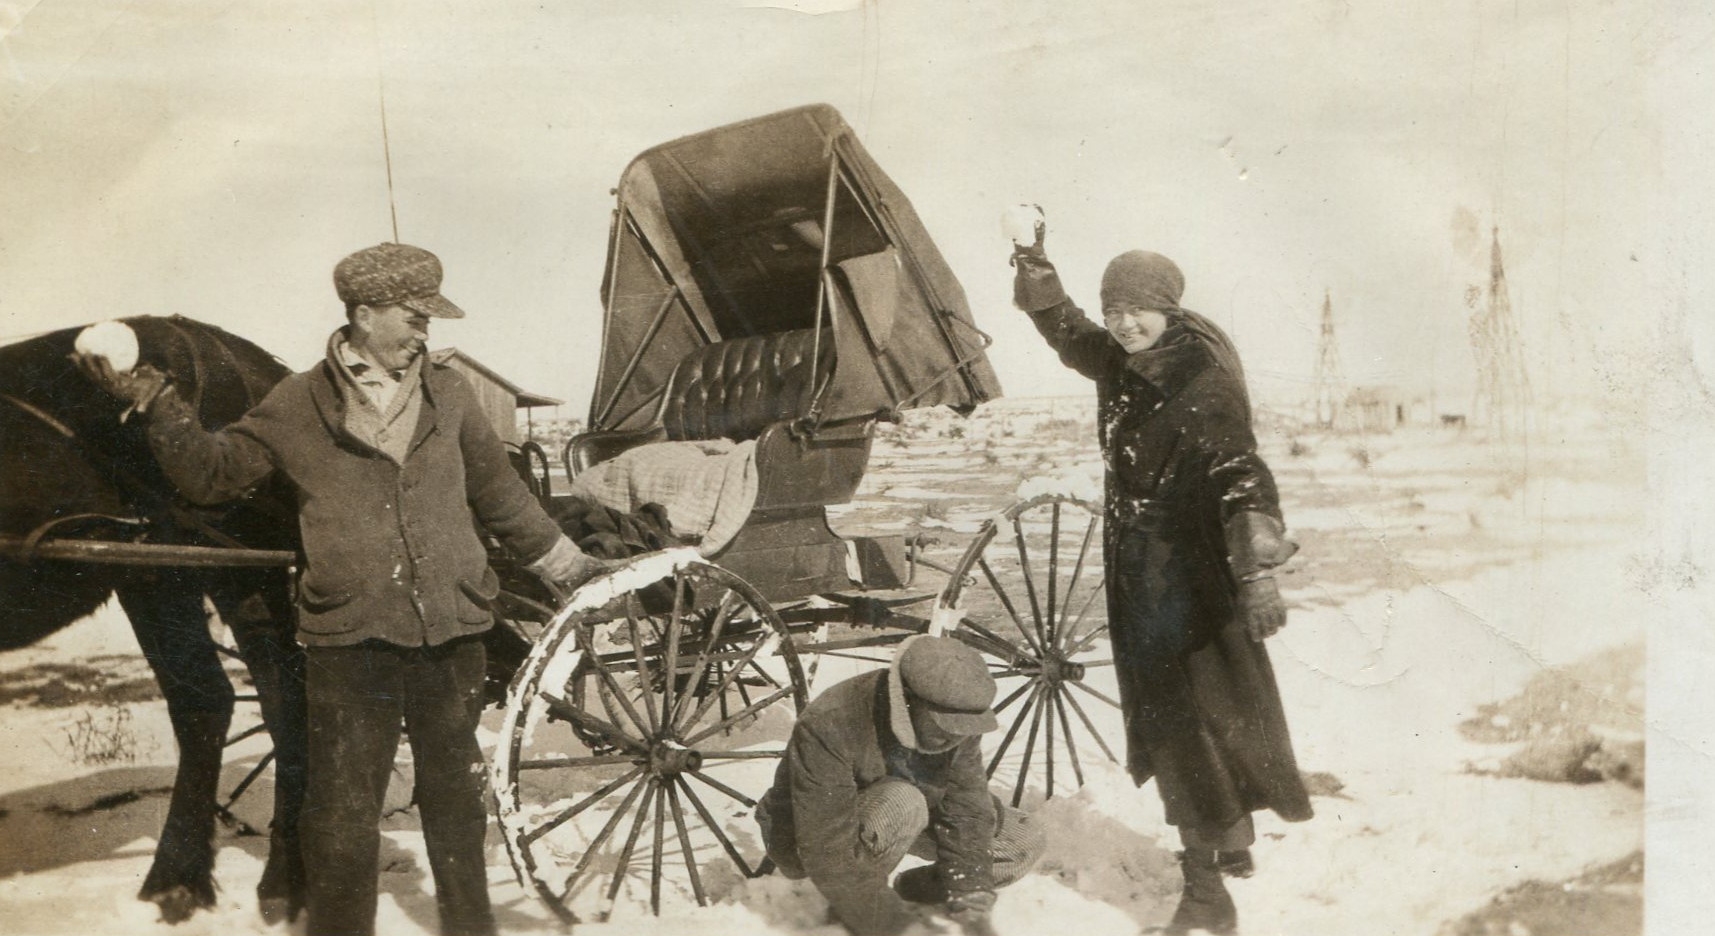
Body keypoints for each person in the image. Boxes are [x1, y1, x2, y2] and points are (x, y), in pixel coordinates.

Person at [76, 242, 602, 936]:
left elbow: (501, 496)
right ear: (364, 313)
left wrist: (572, 571)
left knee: (455, 802)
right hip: (352, 641)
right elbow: (213, 474)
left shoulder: (450, 392)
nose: (424, 334)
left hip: (451, 628)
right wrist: (157, 402)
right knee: (343, 811)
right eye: (414, 319)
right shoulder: (296, 403)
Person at [1007, 211, 1312, 936]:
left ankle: (1205, 889)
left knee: (1186, 723)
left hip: (1194, 577)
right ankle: (1230, 841)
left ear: (1164, 309)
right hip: (1141, 571)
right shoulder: (1118, 358)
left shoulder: (1200, 379)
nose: (1120, 324)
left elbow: (1241, 473)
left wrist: (1256, 570)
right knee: (1211, 712)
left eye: (1134, 310)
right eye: (1113, 310)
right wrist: (1032, 265)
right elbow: (1065, 329)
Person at [755, 635, 1047, 936]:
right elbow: (824, 848)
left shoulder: (959, 714)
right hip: (809, 835)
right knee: (904, 801)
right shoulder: (833, 720)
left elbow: (967, 808)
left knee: (1024, 838)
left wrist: (971, 896)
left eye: (963, 730)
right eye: (945, 727)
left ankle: (910, 893)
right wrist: (897, 927)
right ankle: (855, 911)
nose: (954, 738)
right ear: (906, 699)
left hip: (903, 813)